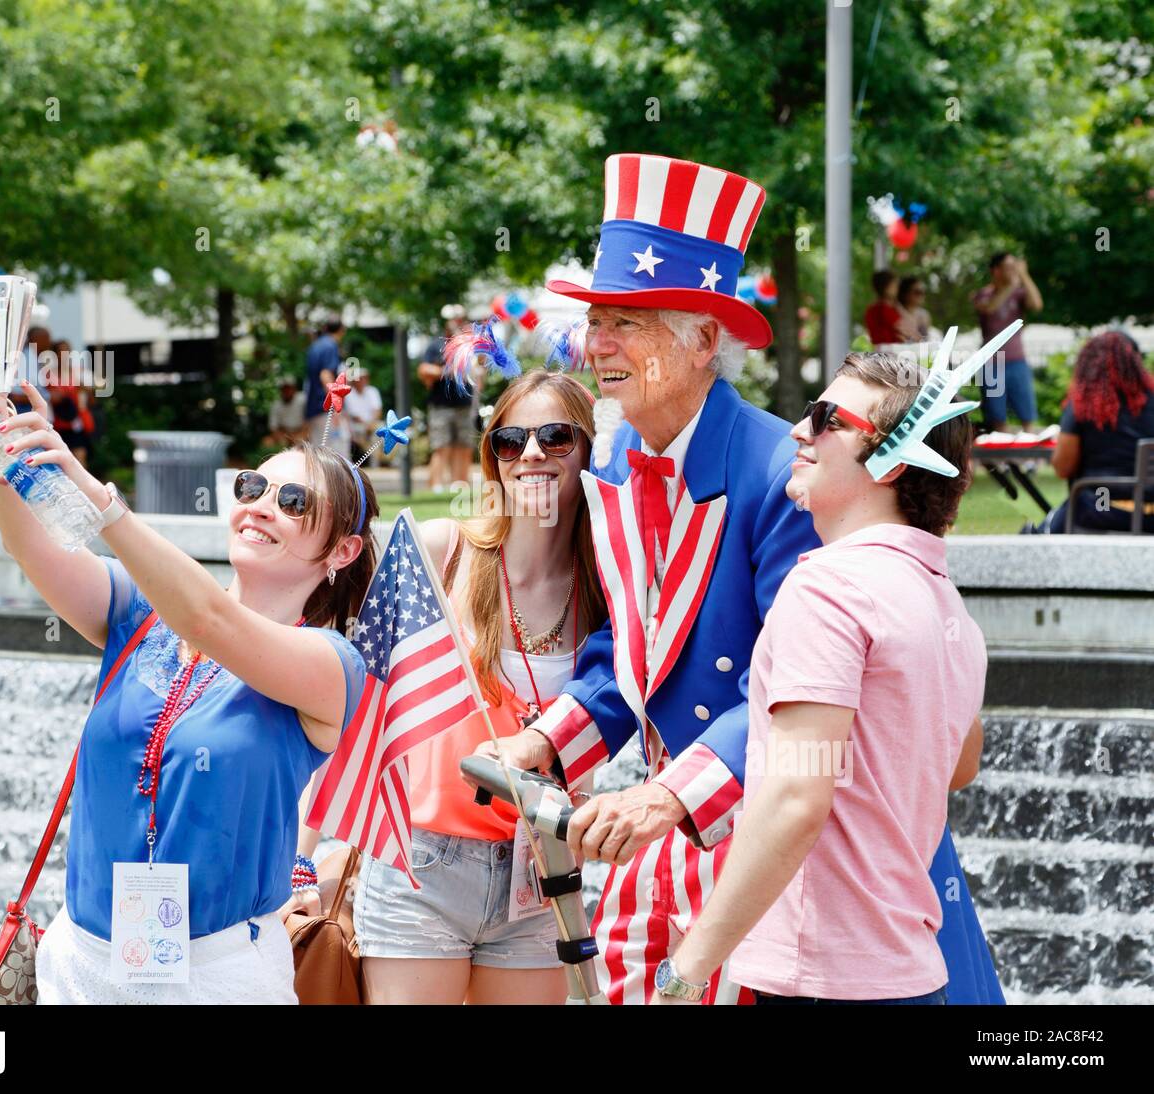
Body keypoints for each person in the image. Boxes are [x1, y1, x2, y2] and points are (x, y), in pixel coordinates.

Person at [480, 152, 822, 1005]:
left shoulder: (786, 472)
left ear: (705, 340)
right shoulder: (617, 454)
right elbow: (627, 657)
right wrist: (544, 744)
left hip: (763, 844)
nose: (598, 344)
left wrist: (669, 796)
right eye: (598, 320)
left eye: (628, 321)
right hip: (662, 836)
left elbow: (799, 692)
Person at [0, 327, 374, 1004]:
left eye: (294, 503)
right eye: (254, 485)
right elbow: (32, 548)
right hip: (83, 960)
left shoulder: (330, 664)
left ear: (341, 553)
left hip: (216, 977)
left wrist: (95, 494)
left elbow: (211, 620)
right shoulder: (137, 611)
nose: (264, 505)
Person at [654, 350, 996, 1005]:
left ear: (892, 462)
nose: (797, 431)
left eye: (825, 419)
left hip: (826, 979)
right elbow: (958, 763)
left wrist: (686, 971)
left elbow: (795, 799)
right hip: (910, 973)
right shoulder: (943, 602)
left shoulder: (829, 589)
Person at [338, 370, 607, 1004]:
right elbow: (356, 703)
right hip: (422, 863)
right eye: (512, 440)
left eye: (557, 436)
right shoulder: (443, 553)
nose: (533, 453)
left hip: (540, 866)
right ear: (494, 458)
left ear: (590, 450)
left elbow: (608, 718)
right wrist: (303, 857)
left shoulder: (607, 588)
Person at [1034, 331, 1154, 533]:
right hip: (1151, 515)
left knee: (1043, 532)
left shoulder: (1083, 406)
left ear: (1089, 365)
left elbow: (1063, 468)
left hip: (1102, 507)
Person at [972, 252, 1043, 433]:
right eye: (1009, 267)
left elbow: (1036, 304)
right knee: (996, 419)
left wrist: (1025, 276)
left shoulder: (1018, 294)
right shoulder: (982, 294)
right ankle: (1001, 460)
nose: (1013, 271)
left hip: (1017, 362)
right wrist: (1012, 285)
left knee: (1027, 417)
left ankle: (1028, 460)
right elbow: (990, 308)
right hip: (991, 364)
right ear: (996, 271)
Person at [419, 314, 477, 492]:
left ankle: (460, 484)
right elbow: (423, 370)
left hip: (464, 404)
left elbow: (479, 366)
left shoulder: (468, 346)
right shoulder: (436, 345)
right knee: (441, 446)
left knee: (464, 446)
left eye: (461, 320)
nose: (458, 323)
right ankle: (436, 485)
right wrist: (447, 371)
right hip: (441, 405)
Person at [305, 320, 350, 456]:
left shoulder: (315, 346)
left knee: (320, 456)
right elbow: (325, 374)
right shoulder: (330, 345)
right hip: (327, 410)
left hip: (315, 409)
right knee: (338, 457)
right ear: (342, 330)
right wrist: (336, 407)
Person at [864, 269, 917, 347]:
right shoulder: (884, 309)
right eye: (894, 285)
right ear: (886, 287)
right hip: (892, 351)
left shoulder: (871, 309)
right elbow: (910, 331)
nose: (897, 288)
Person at [343, 367, 383, 462]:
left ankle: (376, 462)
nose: (362, 380)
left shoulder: (372, 391)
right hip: (355, 425)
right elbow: (353, 415)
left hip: (371, 424)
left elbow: (377, 410)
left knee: (383, 431)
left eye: (364, 378)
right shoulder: (349, 393)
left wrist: (371, 423)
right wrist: (367, 425)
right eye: (360, 378)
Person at [264, 376, 308, 448]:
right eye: (284, 389)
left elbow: (309, 420)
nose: (286, 391)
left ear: (294, 389)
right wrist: (284, 437)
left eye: (288, 388)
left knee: (302, 439)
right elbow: (273, 427)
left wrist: (300, 433)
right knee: (267, 442)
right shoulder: (276, 405)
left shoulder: (303, 399)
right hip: (285, 434)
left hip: (302, 431)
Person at [897, 275, 932, 341]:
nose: (921, 295)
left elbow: (924, 338)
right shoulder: (896, 312)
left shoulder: (924, 314)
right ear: (905, 293)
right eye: (917, 292)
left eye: (923, 292)